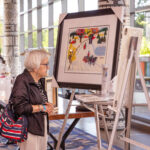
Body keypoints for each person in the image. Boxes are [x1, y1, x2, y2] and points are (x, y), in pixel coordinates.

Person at [9, 49, 54, 150]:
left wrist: (48, 106)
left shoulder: (40, 80)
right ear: (35, 67)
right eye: (45, 64)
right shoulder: (22, 80)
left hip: (41, 126)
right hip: (29, 130)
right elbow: (19, 108)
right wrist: (42, 107)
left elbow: (40, 101)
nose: (48, 67)